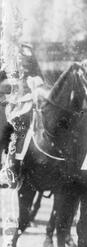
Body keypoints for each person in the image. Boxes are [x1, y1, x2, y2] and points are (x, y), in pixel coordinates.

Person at [0, 43, 44, 188]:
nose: (17, 29)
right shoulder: (3, 48)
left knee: (29, 126)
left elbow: (39, 75)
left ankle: (16, 167)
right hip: (6, 100)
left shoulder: (26, 50)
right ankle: (8, 168)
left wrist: (35, 82)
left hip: (26, 100)